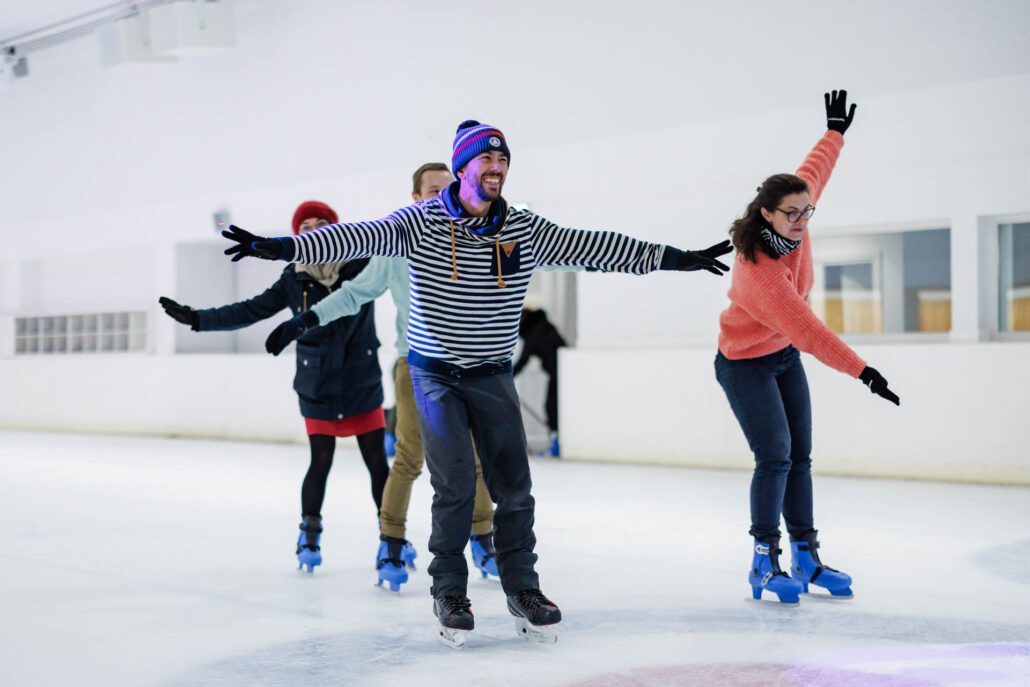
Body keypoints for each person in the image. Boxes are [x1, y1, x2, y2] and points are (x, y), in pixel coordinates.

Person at [222, 120, 732, 647]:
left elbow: (596, 247)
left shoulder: (523, 230)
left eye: (504, 162)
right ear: (463, 167)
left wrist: (677, 259)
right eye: (486, 161)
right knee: (456, 483)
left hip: (491, 372)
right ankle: (449, 592)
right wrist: (279, 247)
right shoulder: (419, 222)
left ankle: (523, 588)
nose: (497, 169)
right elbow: (359, 233)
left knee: (514, 486)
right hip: (434, 372)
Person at [265, 163, 501, 592]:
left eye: (447, 189)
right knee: (408, 458)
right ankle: (391, 543)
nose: (440, 195)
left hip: (469, 368)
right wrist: (306, 320)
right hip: (416, 366)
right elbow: (355, 294)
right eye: (431, 190)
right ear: (416, 198)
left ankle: (483, 539)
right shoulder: (399, 248)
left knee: (474, 459)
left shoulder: (476, 240)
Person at [714, 91, 900, 606]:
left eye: (807, 211)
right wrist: (864, 372)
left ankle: (807, 556)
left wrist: (835, 132)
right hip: (744, 363)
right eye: (792, 213)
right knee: (774, 455)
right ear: (767, 214)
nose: (802, 219)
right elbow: (811, 332)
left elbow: (814, 170)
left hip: (782, 356)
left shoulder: (798, 215)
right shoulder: (761, 275)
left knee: (801, 457)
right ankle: (763, 562)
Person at [159, 201, 389, 574]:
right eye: (307, 225)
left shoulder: (361, 266)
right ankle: (309, 536)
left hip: (361, 378)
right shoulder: (292, 278)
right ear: (298, 235)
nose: (315, 229)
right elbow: (250, 310)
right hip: (317, 383)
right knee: (321, 461)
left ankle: (391, 537)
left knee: (378, 464)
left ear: (336, 230)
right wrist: (198, 319)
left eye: (323, 223)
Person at [512, 306, 566, 456]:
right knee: (555, 407)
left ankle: (556, 444)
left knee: (552, 407)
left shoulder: (534, 333)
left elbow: (523, 360)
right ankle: (557, 442)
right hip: (562, 373)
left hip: (558, 373)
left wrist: (505, 378)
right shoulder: (544, 326)